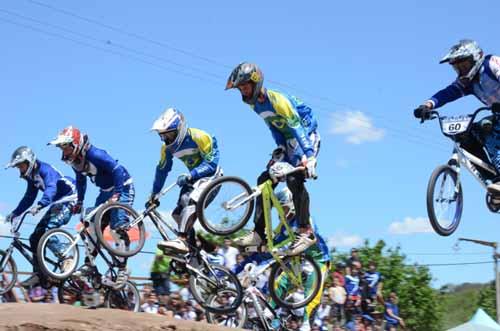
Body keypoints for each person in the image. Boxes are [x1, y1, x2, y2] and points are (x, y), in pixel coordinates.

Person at [226, 62, 319, 255]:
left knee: (295, 178)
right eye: (240, 89)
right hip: (288, 141)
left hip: (306, 136)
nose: (242, 92)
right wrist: (279, 150)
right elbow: (274, 127)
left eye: (244, 87)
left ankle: (306, 231)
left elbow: (297, 127)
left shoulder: (277, 100)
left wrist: (309, 157)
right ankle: (259, 233)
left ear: (256, 82)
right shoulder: (255, 105)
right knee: (264, 179)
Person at [232, 187, 330, 331]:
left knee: (311, 298)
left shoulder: (305, 219)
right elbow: (272, 246)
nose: (281, 212)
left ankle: (305, 325)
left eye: (283, 208)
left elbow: (311, 235)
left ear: (291, 204)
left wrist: (284, 249)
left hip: (318, 261)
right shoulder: (285, 226)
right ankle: (267, 317)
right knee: (279, 284)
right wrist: (253, 249)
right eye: (280, 209)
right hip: (296, 261)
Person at [48, 126, 134, 289]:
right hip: (105, 192)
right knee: (91, 225)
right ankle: (89, 264)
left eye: (66, 147)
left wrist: (117, 193)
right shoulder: (76, 161)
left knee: (117, 227)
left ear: (76, 144)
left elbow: (117, 170)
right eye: (62, 148)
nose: (64, 152)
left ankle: (123, 269)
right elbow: (81, 182)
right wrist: (80, 202)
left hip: (123, 187)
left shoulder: (95, 154)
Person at [413, 39, 500, 192]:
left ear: (476, 58)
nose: (461, 70)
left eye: (464, 65)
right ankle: (493, 182)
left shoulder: (492, 64)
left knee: (488, 128)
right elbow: (448, 93)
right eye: (457, 67)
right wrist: (427, 105)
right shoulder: (468, 82)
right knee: (467, 136)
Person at [147, 108, 222, 253]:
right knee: (177, 214)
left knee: (191, 202)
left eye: (169, 134)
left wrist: (191, 174)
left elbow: (212, 163)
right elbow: (162, 170)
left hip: (212, 178)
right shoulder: (166, 148)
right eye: (163, 136)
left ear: (179, 129)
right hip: (194, 180)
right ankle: (193, 252)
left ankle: (181, 239)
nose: (166, 139)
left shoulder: (199, 136)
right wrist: (154, 194)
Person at [5, 146, 77, 287]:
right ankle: (39, 274)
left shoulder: (45, 170)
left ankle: (66, 257)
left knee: (46, 231)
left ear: (30, 161)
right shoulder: (31, 178)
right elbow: (29, 197)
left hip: (69, 199)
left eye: (21, 165)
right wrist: (15, 213)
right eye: (18, 167)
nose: (20, 169)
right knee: (34, 237)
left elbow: (51, 187)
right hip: (57, 203)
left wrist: (41, 204)